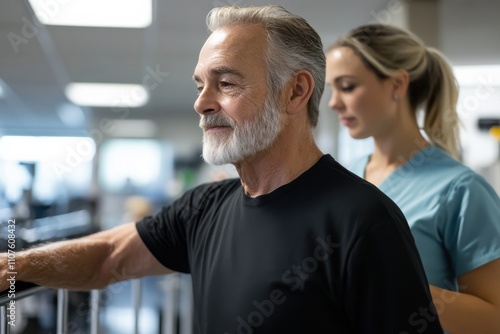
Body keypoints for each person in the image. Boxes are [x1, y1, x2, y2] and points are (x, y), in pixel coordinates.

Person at [1, 6, 443, 333]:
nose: (201, 102)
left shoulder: (362, 220)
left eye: (226, 83)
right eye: (200, 85)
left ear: (295, 92)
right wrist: (12, 266)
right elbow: (109, 258)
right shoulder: (205, 208)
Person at [325, 23, 500, 333]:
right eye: (332, 89)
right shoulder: (341, 178)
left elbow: (493, 318)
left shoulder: (460, 190)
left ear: (397, 84)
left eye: (348, 86)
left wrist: (395, 285)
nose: (334, 102)